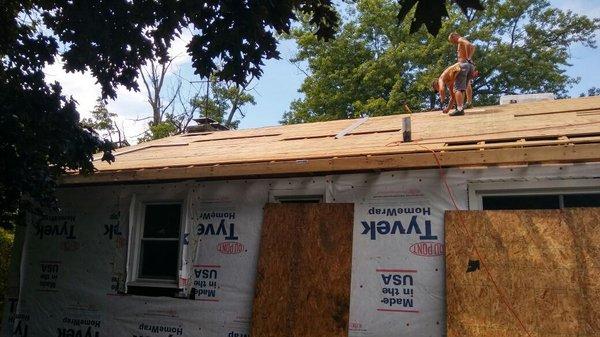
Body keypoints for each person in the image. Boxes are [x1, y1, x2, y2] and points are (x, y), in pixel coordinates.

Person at [448, 32, 476, 107]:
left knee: (459, 87)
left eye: (452, 40)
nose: (453, 42)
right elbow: (472, 46)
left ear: (454, 36)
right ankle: (467, 103)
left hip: (464, 65)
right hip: (468, 65)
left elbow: (470, 45)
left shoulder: (460, 39)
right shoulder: (461, 41)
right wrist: (469, 59)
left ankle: (461, 106)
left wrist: (468, 58)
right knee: (467, 85)